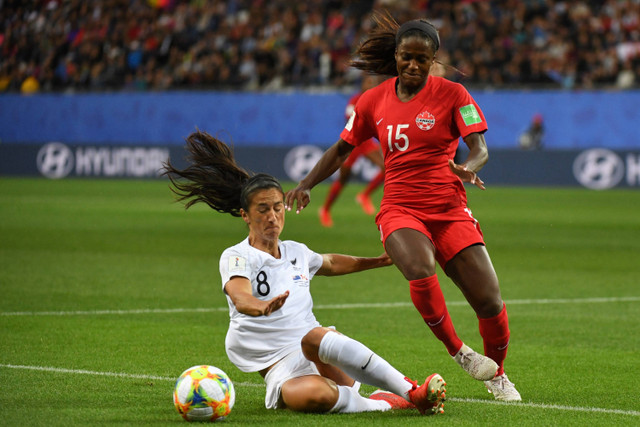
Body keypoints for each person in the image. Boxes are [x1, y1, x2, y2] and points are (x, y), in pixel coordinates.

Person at [285, 13, 521, 402]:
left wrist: (468, 167)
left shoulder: (454, 95)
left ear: (434, 60)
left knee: (489, 300)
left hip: (448, 207)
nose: (413, 65)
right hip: (399, 209)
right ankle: (459, 351)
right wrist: (306, 184)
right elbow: (342, 148)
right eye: (407, 57)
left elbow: (480, 147)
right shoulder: (372, 100)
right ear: (396, 56)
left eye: (422, 59)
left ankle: (498, 376)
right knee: (419, 267)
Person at [163, 130, 447, 415]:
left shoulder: (296, 251)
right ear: (245, 215)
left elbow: (332, 263)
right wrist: (261, 307)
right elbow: (240, 297)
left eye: (277, 208)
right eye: (262, 210)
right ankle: (384, 403)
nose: (272, 217)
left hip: (320, 352)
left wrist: (378, 260)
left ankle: (411, 391)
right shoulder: (237, 256)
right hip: (280, 367)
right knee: (313, 396)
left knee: (312, 337)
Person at [319, 74, 385, 227]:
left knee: (386, 168)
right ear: (362, 84)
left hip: (366, 142)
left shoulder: (376, 100)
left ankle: (364, 195)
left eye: (373, 83)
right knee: (343, 179)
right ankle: (325, 209)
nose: (371, 86)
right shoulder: (355, 100)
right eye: (368, 83)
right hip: (353, 142)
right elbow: (350, 118)